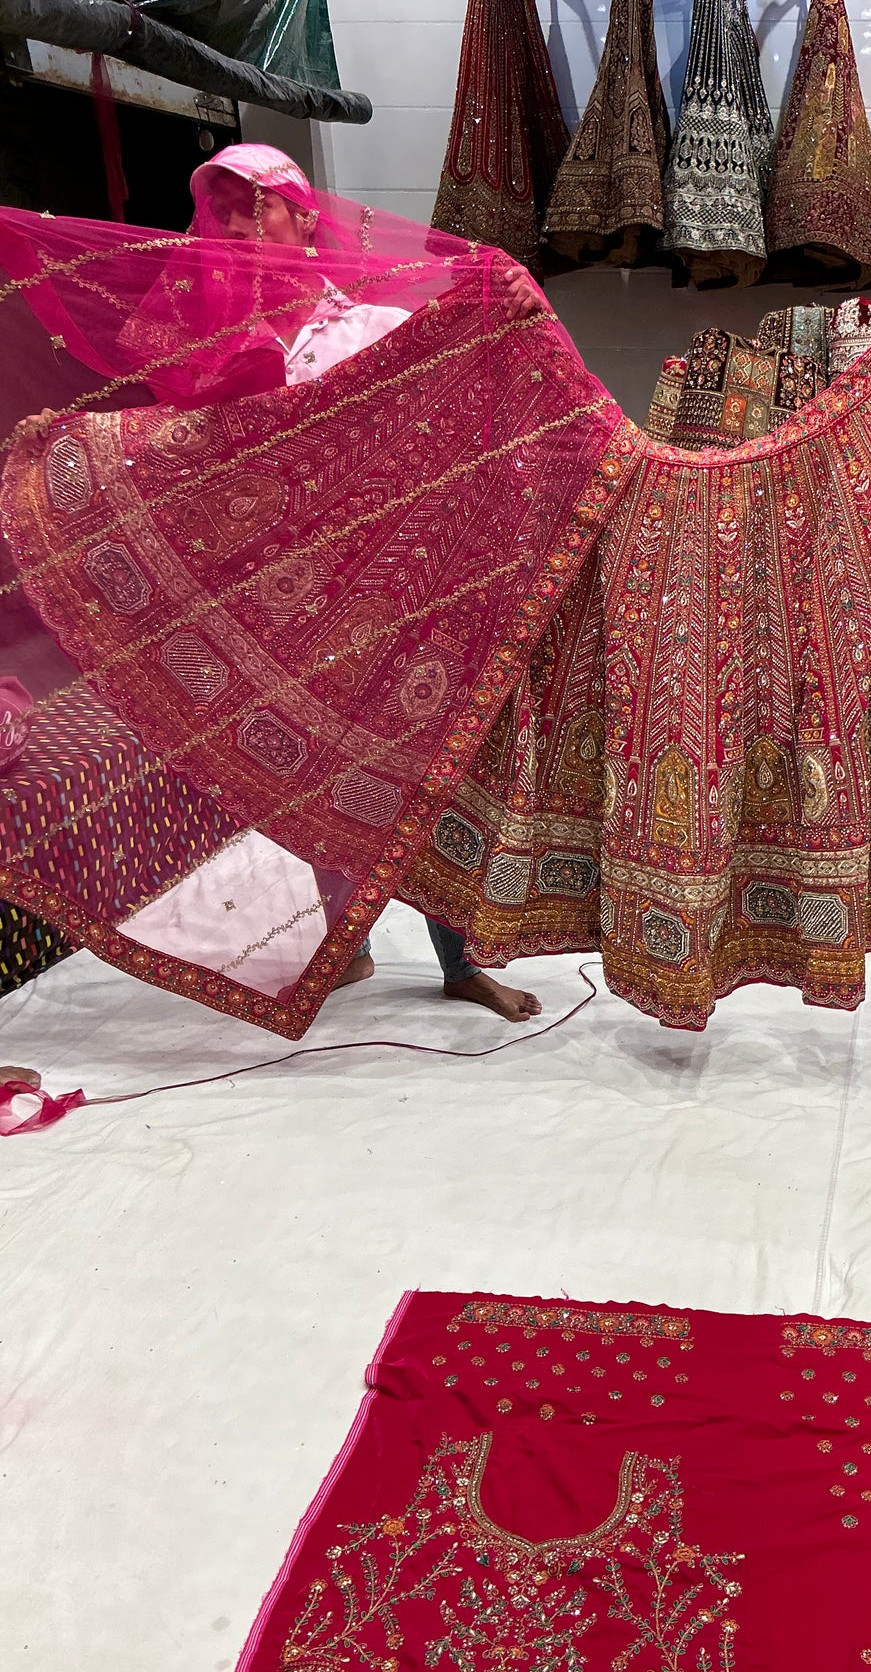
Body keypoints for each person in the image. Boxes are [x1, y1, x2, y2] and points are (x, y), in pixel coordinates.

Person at [14, 144, 543, 1023]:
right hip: (293, 590)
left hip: (406, 583)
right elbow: (184, 448)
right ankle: (350, 943)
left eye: (255, 206)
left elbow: (439, 418)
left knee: (434, 767)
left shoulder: (372, 322)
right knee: (309, 761)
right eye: (221, 210)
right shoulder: (220, 342)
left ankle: (462, 958)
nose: (236, 227)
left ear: (304, 214)